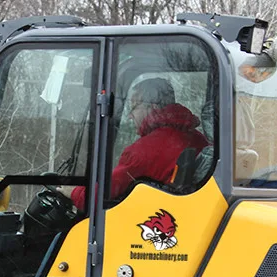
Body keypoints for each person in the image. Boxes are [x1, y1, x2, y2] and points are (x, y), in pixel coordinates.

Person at [71, 78, 209, 209]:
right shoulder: (198, 139)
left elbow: (95, 198)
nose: (130, 116)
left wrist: (72, 192)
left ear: (152, 108)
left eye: (134, 107)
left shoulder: (143, 151)